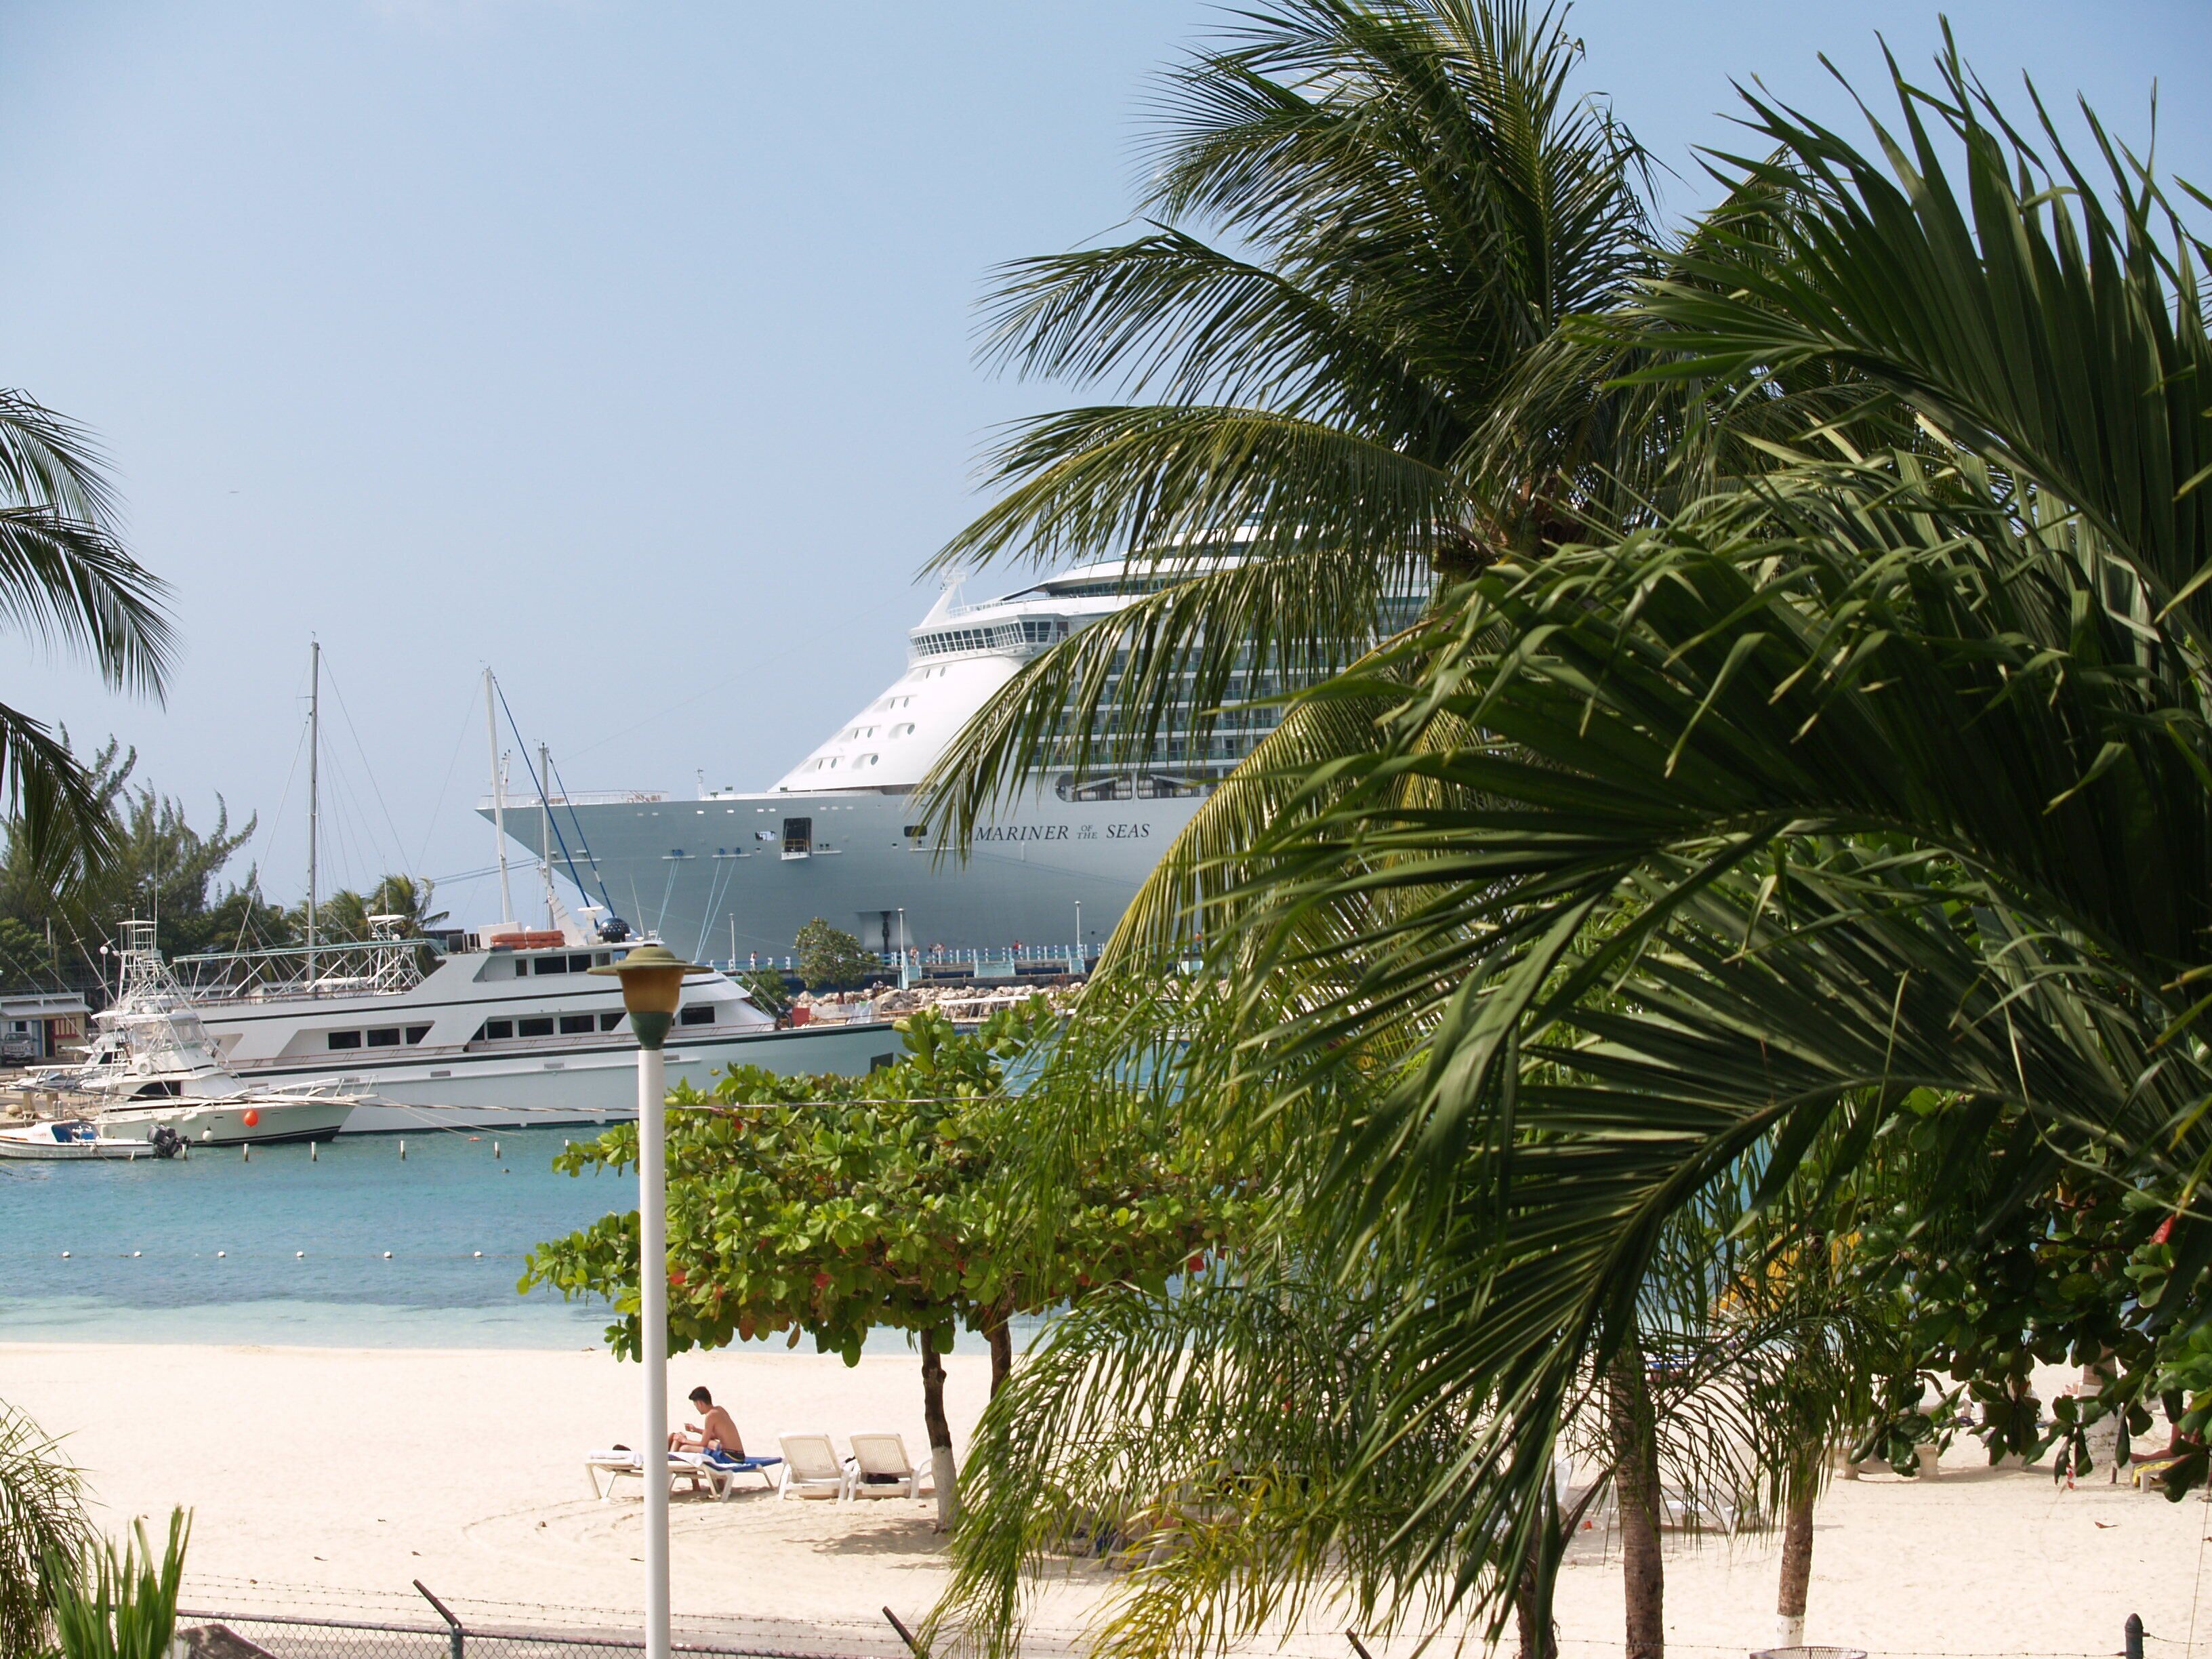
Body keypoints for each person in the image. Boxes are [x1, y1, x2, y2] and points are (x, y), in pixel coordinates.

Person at [670, 1386, 744, 1458]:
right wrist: (696, 1430)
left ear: (700, 1403)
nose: (697, 1409)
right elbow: (716, 1435)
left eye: (696, 1406)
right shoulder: (720, 1409)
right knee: (710, 1443)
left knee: (684, 1449)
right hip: (739, 1455)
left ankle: (671, 1460)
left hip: (729, 1457)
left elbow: (703, 1444)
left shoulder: (710, 1416)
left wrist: (684, 1440)